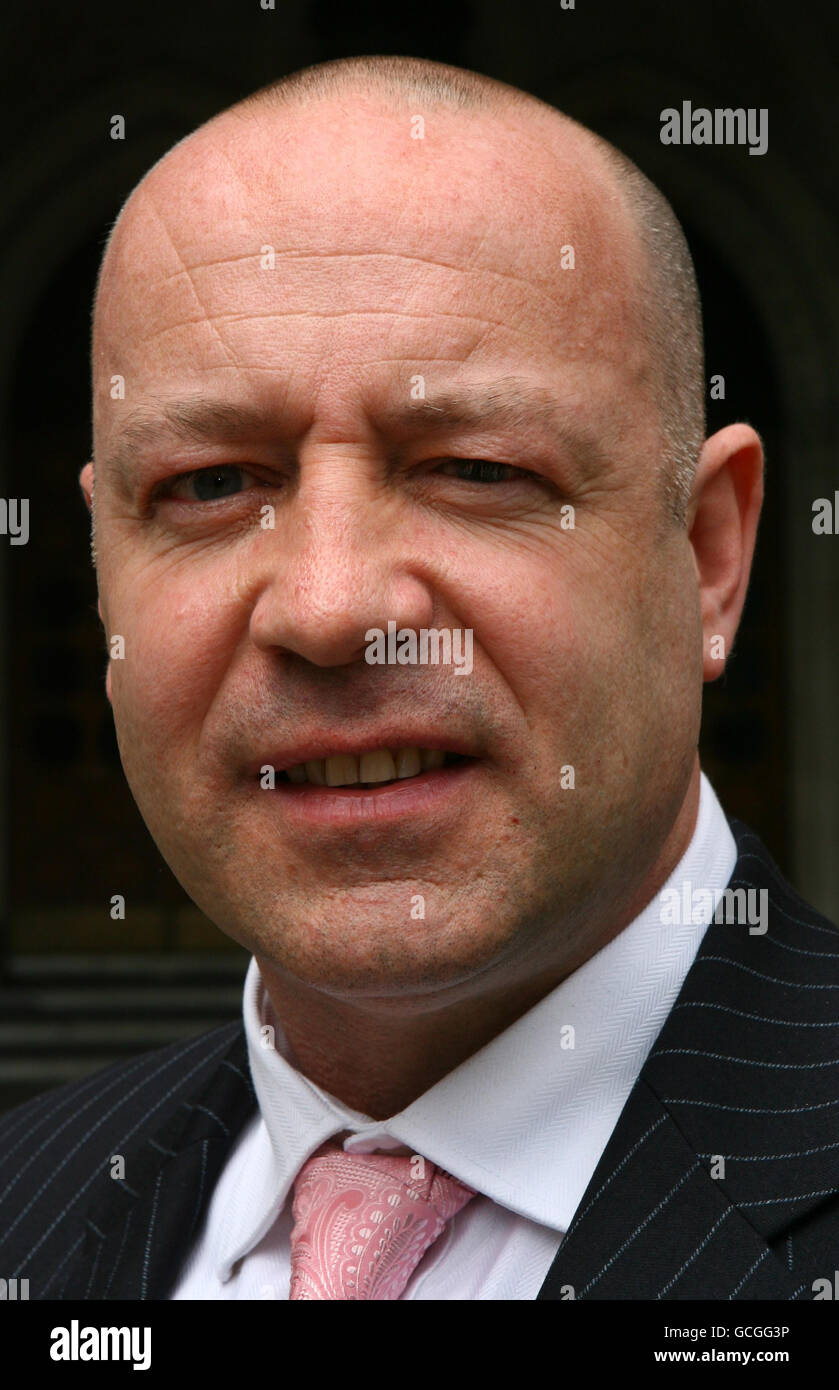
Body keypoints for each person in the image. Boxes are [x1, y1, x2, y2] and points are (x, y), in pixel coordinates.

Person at [1, 54, 836, 1302]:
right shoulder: (28, 1199)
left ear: (709, 559)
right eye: (212, 485)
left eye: (475, 469)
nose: (332, 610)